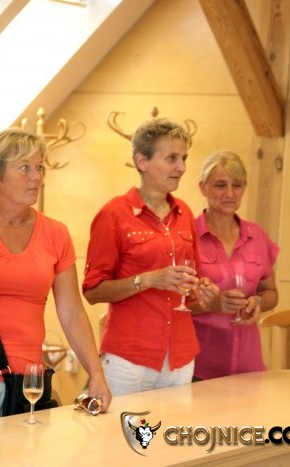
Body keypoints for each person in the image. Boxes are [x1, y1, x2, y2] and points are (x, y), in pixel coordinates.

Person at [0, 128, 111, 428]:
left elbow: (72, 312)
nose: (37, 177)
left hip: (25, 384)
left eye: (39, 167)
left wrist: (96, 373)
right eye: (24, 168)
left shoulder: (56, 234)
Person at [82, 117, 218, 397]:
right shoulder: (114, 214)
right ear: (142, 161)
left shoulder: (184, 212)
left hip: (180, 357)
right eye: (171, 158)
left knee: (173, 428)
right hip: (129, 359)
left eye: (183, 158)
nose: (181, 167)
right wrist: (148, 280)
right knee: (124, 428)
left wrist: (203, 292)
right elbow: (93, 291)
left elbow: (192, 290)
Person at [192, 150, 279, 380]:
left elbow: (270, 293)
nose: (230, 194)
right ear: (203, 188)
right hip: (199, 368)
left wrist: (258, 302)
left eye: (237, 185)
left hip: (249, 367)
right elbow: (170, 306)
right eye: (221, 185)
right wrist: (210, 305)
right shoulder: (186, 235)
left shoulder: (257, 235)